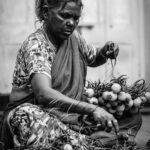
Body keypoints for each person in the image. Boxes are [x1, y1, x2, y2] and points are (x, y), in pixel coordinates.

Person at [0, 0, 141, 149]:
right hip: (41, 116)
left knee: (130, 115)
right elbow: (43, 94)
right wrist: (92, 109)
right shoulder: (36, 45)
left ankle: (75, 141)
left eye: (75, 18)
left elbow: (93, 58)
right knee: (26, 116)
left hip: (71, 120)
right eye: (65, 16)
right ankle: (88, 144)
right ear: (46, 12)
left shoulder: (74, 38)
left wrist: (105, 51)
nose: (71, 23)